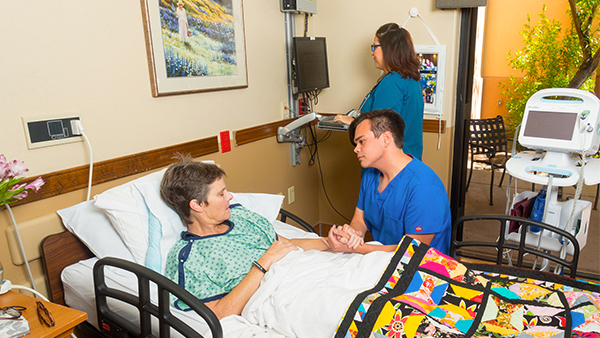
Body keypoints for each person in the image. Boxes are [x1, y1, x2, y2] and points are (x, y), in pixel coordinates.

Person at [161, 156, 328, 319]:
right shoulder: (189, 258)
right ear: (197, 205)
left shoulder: (241, 216)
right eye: (221, 194)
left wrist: (329, 243)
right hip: (285, 298)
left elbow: (286, 244)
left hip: (308, 274)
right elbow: (219, 313)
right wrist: (264, 263)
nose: (230, 197)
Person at [323, 109, 451, 255]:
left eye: (361, 141)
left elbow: (413, 250)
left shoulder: (424, 187)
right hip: (383, 260)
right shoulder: (371, 176)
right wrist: (351, 236)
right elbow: (360, 221)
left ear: (386, 138)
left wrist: (358, 248)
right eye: (355, 144)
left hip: (423, 269)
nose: (356, 149)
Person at [333, 23, 424, 160]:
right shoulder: (411, 78)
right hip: (408, 162)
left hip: (387, 165)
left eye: (375, 47)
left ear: (389, 49)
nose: (372, 52)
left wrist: (353, 122)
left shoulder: (391, 82)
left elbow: (380, 131)